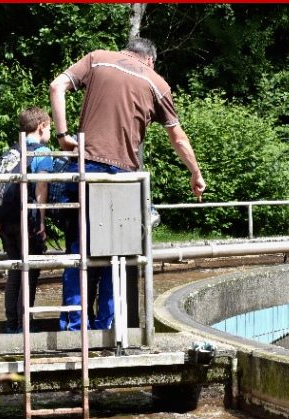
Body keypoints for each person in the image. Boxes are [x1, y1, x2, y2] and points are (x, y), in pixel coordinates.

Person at [50, 36, 206, 331]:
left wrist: (63, 135)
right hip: (123, 175)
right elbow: (178, 138)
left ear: (127, 51)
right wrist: (196, 174)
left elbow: (56, 86)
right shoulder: (157, 83)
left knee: (78, 250)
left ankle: (72, 329)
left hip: (85, 166)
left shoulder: (97, 58)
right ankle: (107, 329)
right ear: (150, 60)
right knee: (115, 254)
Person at [0, 107, 54, 333]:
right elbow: (41, 187)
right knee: (29, 273)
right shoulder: (41, 152)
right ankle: (25, 325)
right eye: (49, 127)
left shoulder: (10, 152)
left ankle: (12, 325)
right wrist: (41, 221)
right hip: (26, 220)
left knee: (14, 272)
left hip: (5, 221)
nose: (50, 132)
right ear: (41, 127)